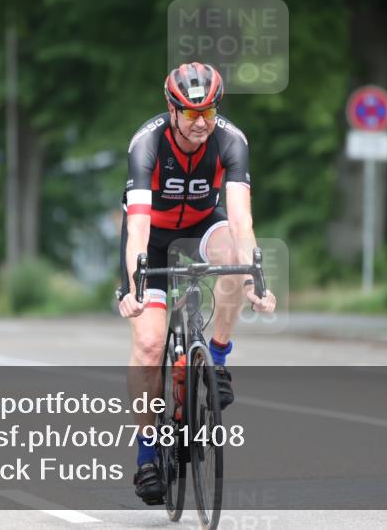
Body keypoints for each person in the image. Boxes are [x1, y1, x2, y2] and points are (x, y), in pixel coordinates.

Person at [117, 62, 277, 503]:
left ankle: (219, 359)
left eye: (209, 111)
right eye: (191, 114)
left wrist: (253, 281)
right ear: (171, 109)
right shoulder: (147, 144)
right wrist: (134, 288)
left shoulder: (230, 140)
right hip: (156, 233)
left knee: (233, 262)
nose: (201, 123)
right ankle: (147, 455)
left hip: (207, 223)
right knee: (149, 345)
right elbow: (138, 232)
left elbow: (242, 221)